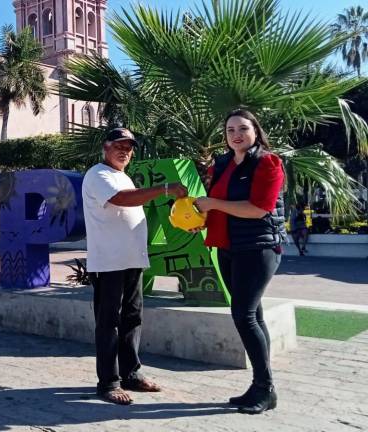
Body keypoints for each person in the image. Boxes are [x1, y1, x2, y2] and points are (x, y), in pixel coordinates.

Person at [81, 128, 188, 405]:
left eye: (129, 147)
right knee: (109, 323)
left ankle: (131, 373)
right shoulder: (98, 174)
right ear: (105, 147)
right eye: (118, 145)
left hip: (132, 261)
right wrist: (165, 189)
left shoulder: (123, 176)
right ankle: (108, 382)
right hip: (109, 263)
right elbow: (121, 199)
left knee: (132, 319)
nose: (124, 151)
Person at [194, 109, 286, 414]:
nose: (236, 134)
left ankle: (265, 388)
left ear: (255, 132)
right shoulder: (222, 165)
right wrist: (201, 219)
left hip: (258, 248)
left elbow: (259, 209)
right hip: (229, 247)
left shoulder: (267, 163)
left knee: (243, 315)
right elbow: (219, 208)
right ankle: (260, 385)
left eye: (243, 129)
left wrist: (212, 203)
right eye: (230, 129)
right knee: (253, 316)